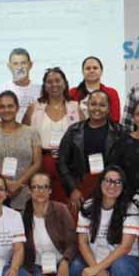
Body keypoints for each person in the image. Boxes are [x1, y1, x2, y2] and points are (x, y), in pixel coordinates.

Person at [67, 167, 139, 276]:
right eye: (108, 180)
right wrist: (97, 268)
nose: (112, 185)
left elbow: (125, 247)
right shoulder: (88, 206)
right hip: (100, 263)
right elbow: (83, 242)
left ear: (123, 186)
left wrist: (96, 268)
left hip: (126, 264)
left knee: (120, 265)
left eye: (118, 182)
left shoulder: (130, 208)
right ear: (100, 183)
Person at [57, 89, 125, 217]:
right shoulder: (74, 131)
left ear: (109, 108)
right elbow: (62, 162)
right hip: (80, 190)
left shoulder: (120, 132)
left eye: (102, 105)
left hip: (111, 190)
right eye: (93, 104)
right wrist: (73, 189)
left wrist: (116, 188)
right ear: (87, 106)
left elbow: (125, 165)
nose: (97, 108)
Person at [21, 171, 79, 276]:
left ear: (50, 190)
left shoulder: (61, 209)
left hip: (62, 262)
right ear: (30, 190)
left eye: (44, 187)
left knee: (77, 267)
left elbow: (73, 241)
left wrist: (66, 260)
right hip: (38, 266)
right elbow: (19, 247)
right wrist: (25, 268)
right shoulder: (23, 215)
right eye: (35, 187)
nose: (40, 191)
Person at [26, 66, 82, 204]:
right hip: (42, 163)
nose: (54, 84)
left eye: (57, 80)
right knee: (42, 204)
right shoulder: (34, 108)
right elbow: (24, 136)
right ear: (44, 86)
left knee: (67, 205)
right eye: (49, 82)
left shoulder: (76, 107)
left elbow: (83, 139)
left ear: (65, 83)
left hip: (69, 164)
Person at [0, 90, 42, 211]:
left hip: (24, 193)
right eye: (2, 107)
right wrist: (4, 183)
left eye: (10, 106)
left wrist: (18, 183)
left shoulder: (31, 133)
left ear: (17, 108)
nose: (6, 110)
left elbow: (37, 163)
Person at [0, 48, 42, 124]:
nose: (20, 67)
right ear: (9, 66)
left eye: (23, 63)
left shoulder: (41, 91)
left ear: (30, 65)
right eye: (15, 64)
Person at [69, 56, 121, 122]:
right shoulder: (73, 92)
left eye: (95, 68)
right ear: (83, 72)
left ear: (101, 71)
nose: (91, 70)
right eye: (88, 68)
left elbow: (115, 119)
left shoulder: (112, 93)